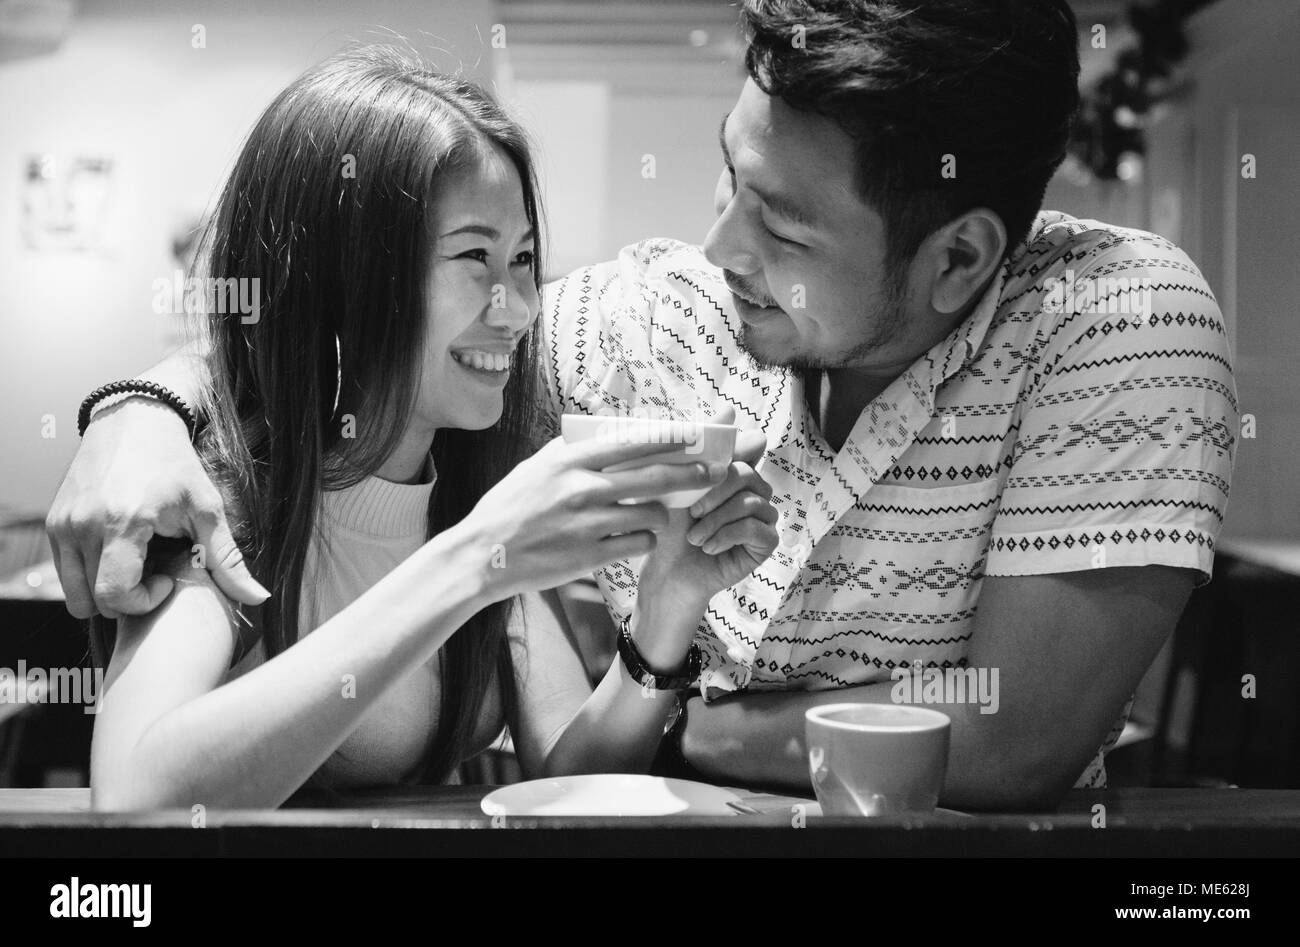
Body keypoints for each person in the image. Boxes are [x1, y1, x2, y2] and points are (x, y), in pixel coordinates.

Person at [51, 1, 1237, 811]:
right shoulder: (644, 317)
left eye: (779, 224)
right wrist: (139, 409)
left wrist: (672, 696)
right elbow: (329, 345)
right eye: (730, 173)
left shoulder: (1109, 320)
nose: (714, 241)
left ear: (958, 259)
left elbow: (1012, 732)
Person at [75, 49, 778, 810]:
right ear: (344, 276)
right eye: (475, 255)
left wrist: (664, 611)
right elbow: (136, 791)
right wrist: (476, 557)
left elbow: (566, 772)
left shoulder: (476, 480)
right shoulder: (228, 499)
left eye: (524, 258)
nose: (518, 307)